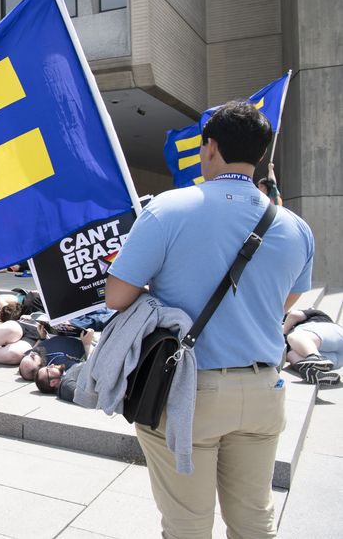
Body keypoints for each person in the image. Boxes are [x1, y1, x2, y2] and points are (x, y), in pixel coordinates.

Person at [104, 102, 314, 538]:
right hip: (263, 388)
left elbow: (116, 296)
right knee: (255, 521)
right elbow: (287, 300)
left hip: (187, 390)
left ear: (210, 147)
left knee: (187, 526)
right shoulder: (295, 226)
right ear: (258, 153)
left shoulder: (169, 209)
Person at [282, 308, 342, 385]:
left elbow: (294, 315)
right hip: (336, 361)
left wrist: (283, 334)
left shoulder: (315, 315)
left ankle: (315, 357)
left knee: (293, 336)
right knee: (291, 354)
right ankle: (315, 373)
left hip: (332, 335)